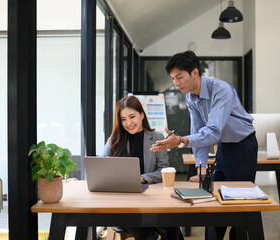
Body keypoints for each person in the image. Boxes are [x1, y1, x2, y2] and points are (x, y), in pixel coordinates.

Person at [150, 51, 258, 240]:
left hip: (243, 147)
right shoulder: (191, 97)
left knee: (239, 204)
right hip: (224, 147)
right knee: (213, 199)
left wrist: (181, 140)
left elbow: (213, 130)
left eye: (179, 77)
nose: (176, 83)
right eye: (173, 78)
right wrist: (200, 167)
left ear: (195, 73)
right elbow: (199, 130)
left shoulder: (221, 90)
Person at [101, 96, 183, 240]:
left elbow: (163, 170)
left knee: (171, 229)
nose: (128, 123)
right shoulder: (115, 139)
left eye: (132, 117)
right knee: (144, 233)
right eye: (123, 119)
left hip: (151, 201)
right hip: (123, 205)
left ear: (142, 114)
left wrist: (143, 178)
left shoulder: (157, 137)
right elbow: (100, 165)